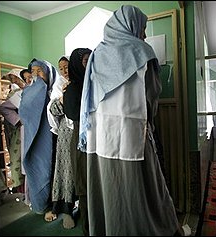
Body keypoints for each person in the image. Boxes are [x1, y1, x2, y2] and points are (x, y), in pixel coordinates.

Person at [78, 5, 190, 236]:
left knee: (109, 193)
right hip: (131, 135)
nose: (145, 34)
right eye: (143, 28)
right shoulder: (142, 51)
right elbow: (151, 95)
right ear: (132, 26)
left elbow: (89, 97)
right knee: (146, 190)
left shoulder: (96, 56)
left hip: (99, 139)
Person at [18, 59, 59, 214]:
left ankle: (57, 205)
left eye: (40, 71)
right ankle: (41, 205)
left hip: (55, 139)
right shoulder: (28, 92)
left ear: (49, 73)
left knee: (55, 171)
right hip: (36, 140)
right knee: (39, 169)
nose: (36, 75)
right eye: (33, 71)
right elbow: (24, 113)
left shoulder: (56, 91)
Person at [63, 47, 92, 236]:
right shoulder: (73, 88)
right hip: (81, 140)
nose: (88, 64)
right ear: (76, 63)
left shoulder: (93, 83)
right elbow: (72, 114)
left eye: (91, 60)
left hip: (96, 138)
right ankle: (89, 227)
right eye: (84, 61)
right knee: (84, 183)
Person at [44, 55, 76, 229]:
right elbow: (54, 111)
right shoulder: (58, 86)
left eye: (67, 67)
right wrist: (64, 97)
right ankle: (66, 210)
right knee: (66, 170)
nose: (64, 71)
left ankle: (86, 208)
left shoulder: (85, 82)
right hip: (66, 133)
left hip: (85, 132)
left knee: (83, 169)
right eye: (61, 68)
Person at [0, 69, 27, 195]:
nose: (14, 81)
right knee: (18, 159)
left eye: (15, 78)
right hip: (20, 131)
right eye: (12, 80)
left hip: (33, 129)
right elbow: (4, 108)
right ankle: (21, 190)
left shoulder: (33, 90)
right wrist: (19, 120)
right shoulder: (15, 94)